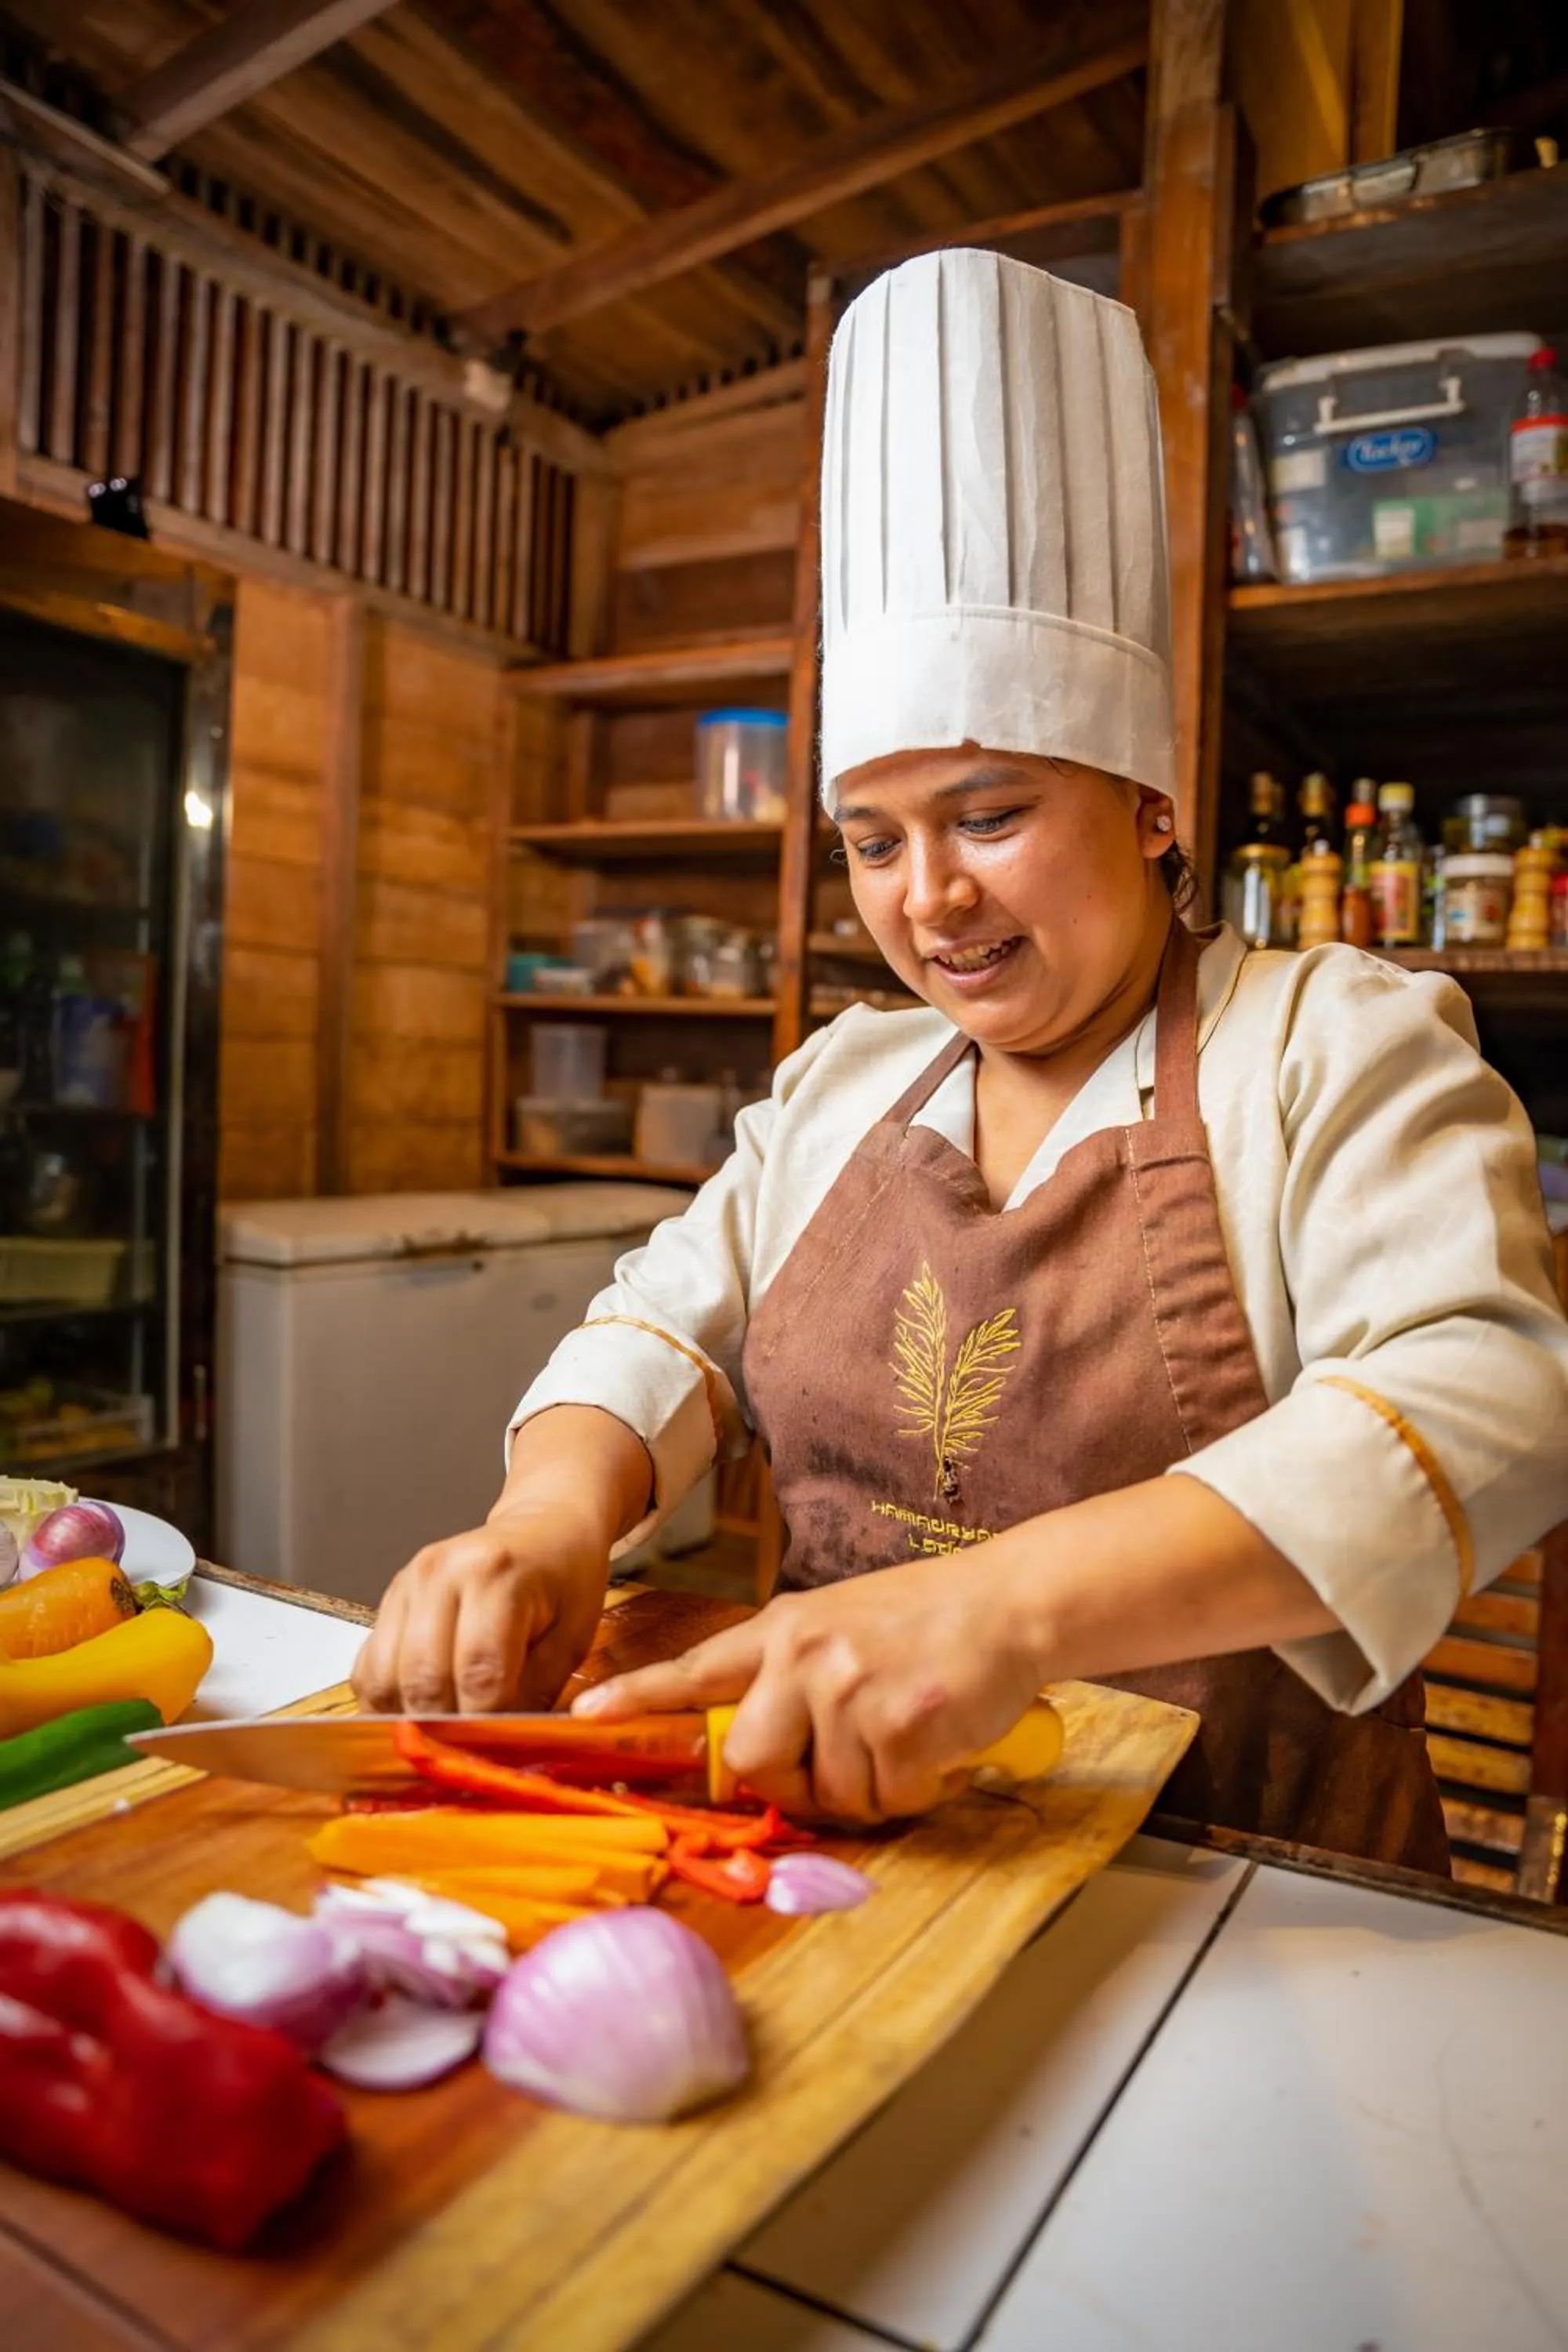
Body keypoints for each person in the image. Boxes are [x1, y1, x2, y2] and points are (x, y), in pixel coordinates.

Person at [354, 251, 1568, 1869]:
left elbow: (1486, 1385)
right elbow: (661, 1324)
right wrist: (546, 1521)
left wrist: (998, 1610)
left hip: (1239, 1887)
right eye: (872, 841)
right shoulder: (849, 1083)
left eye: (990, 815)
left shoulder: (1329, 1045)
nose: (927, 898)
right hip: (855, 1861)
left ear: (1148, 804)